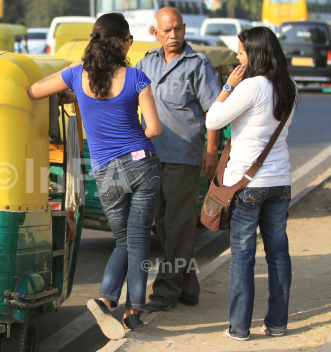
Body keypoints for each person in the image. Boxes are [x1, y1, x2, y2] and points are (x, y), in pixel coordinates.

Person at [28, 13, 162, 339]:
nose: (130, 44)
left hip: (105, 172)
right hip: (142, 164)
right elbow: (154, 128)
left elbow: (34, 90)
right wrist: (134, 134)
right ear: (119, 42)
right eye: (129, 39)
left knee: (124, 241)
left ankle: (108, 299)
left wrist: (77, 90)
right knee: (138, 238)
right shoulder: (136, 77)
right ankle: (131, 311)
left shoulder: (76, 74)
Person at [206, 27, 298, 341]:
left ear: (255, 54)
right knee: (278, 254)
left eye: (242, 52)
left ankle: (239, 327)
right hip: (280, 182)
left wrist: (227, 87)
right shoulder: (290, 87)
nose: (238, 58)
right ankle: (276, 324)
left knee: (243, 256)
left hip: (247, 186)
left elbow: (212, 120)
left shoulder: (250, 87)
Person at [134, 6, 221, 311]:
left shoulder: (197, 65)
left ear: (184, 29)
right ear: (154, 33)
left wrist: (211, 152)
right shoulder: (146, 63)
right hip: (151, 157)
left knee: (179, 224)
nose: (174, 35)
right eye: (167, 30)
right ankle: (189, 287)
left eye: (178, 29)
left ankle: (166, 290)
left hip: (184, 156)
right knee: (165, 226)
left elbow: (214, 112)